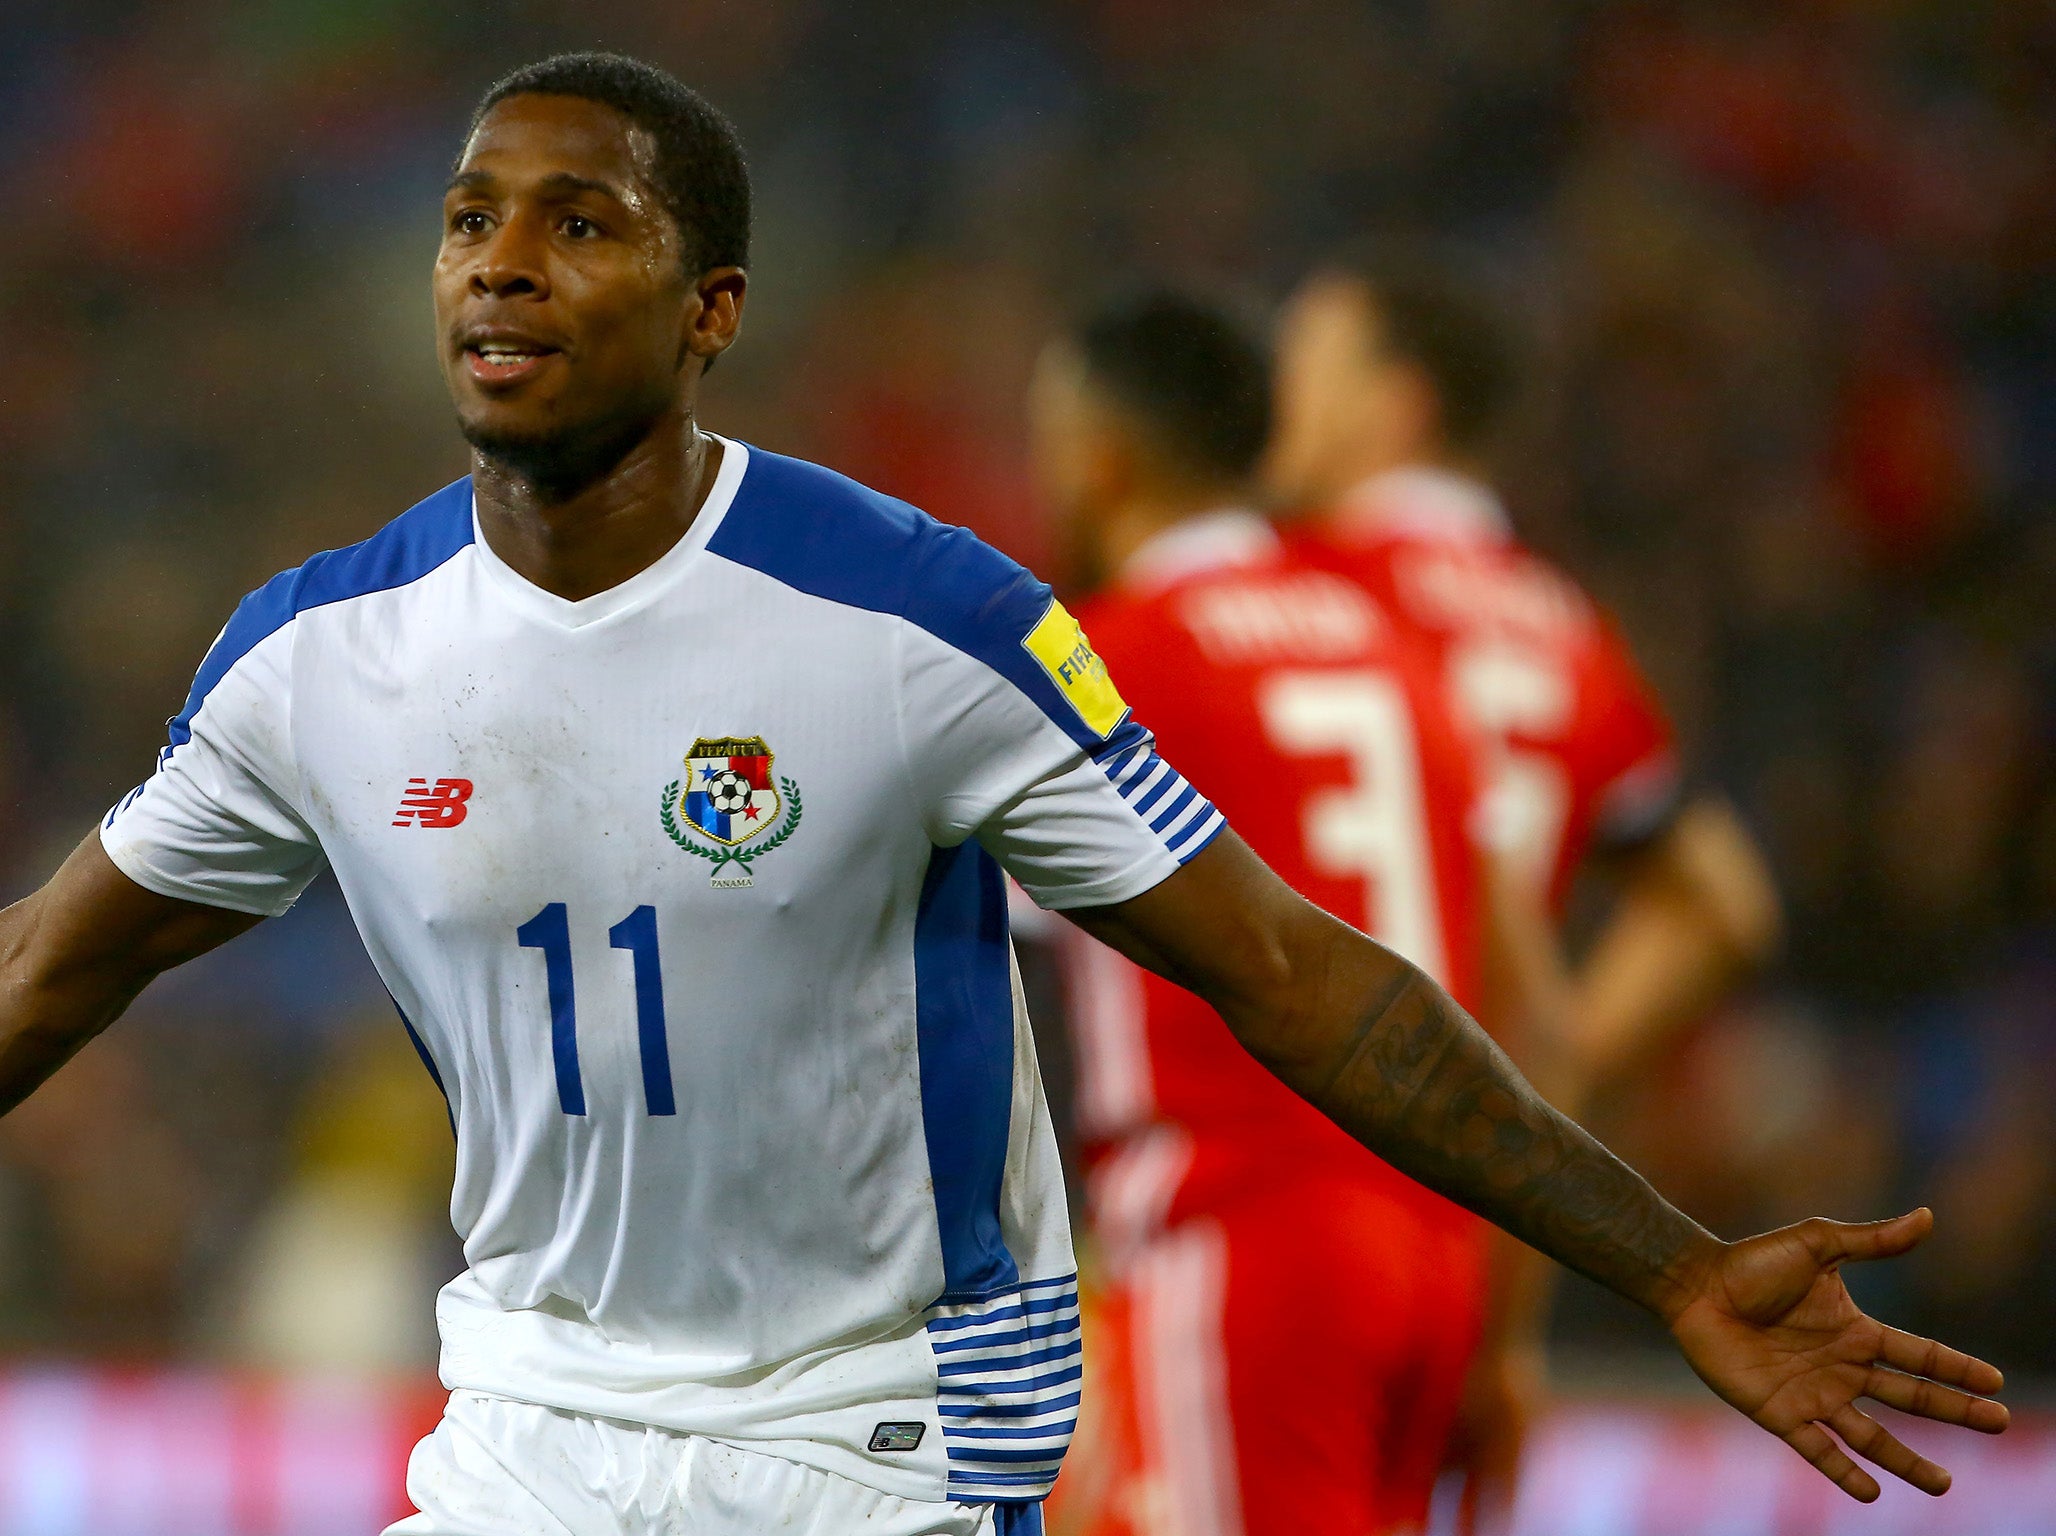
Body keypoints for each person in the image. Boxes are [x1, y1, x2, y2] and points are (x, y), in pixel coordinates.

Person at [0, 52, 2003, 1536]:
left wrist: (1662, 1261)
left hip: (874, 1456)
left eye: (577, 221)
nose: (501, 267)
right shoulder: (315, 657)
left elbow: (1301, 979)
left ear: (714, 315)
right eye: (467, 220)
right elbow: (44, 979)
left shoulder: (915, 619)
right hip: (526, 1437)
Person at [1027, 291, 1564, 1535]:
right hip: (1442, 1248)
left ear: (1099, 456)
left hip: (1249, 1232)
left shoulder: (1112, 660)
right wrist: (1517, 1314)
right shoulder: (1401, 651)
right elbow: (1540, 1010)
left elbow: (967, 966)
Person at [1267, 244, 1787, 1519]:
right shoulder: (1557, 621)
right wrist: (1538, 1077)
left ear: (1397, 405)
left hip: (1295, 1187)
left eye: (1303, 371)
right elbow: (1723, 902)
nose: (1272, 403)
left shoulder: (1308, 592)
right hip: (1473, 1235)